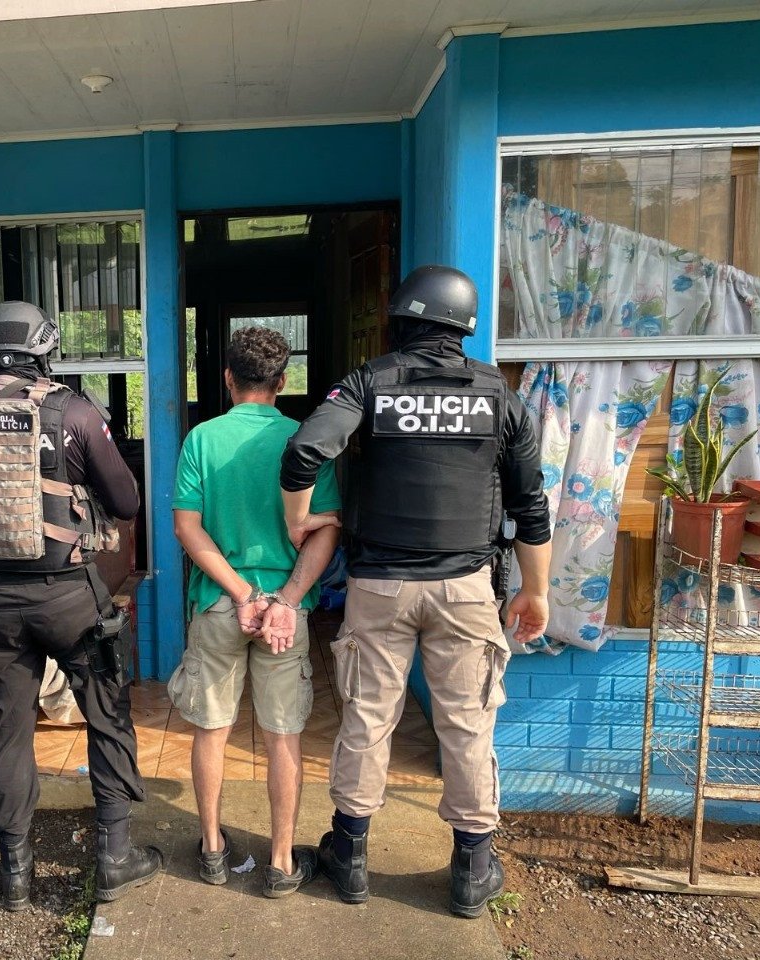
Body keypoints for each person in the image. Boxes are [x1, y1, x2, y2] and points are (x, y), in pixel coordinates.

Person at [279, 265, 552, 918]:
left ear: (401, 320)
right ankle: (472, 868)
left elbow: (303, 453)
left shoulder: (369, 383)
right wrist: (537, 592)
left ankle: (349, 857)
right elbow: (531, 506)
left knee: (368, 719)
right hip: (465, 590)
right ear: (464, 328)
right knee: (467, 724)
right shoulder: (498, 394)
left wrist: (298, 521)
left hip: (380, 587)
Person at [0, 301, 163, 911]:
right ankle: (113, 856)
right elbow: (127, 502)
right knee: (106, 714)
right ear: (44, 350)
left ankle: (15, 872)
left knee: (5, 731)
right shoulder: (74, 413)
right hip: (70, 595)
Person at [168, 326, 341, 898]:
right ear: (282, 382)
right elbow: (325, 530)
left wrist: (242, 594)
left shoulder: (202, 439)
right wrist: (283, 600)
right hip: (285, 615)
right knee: (283, 736)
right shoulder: (307, 441)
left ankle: (212, 849)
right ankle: (282, 862)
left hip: (219, 604)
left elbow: (187, 529)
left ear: (228, 379)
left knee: (211, 730)